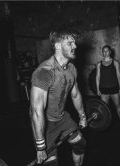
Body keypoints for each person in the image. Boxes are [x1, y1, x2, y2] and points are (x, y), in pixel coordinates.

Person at [29, 29, 87, 166]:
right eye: (70, 43)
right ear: (58, 46)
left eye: (74, 43)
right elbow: (36, 112)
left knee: (80, 144)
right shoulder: (44, 72)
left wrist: (82, 116)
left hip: (62, 117)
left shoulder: (71, 68)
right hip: (45, 125)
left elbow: (75, 94)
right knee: (51, 163)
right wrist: (41, 146)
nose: (75, 46)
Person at [96, 45, 120, 130]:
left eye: (107, 51)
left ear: (110, 52)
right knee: (104, 108)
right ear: (102, 52)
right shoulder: (99, 64)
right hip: (104, 89)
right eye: (103, 51)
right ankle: (105, 124)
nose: (105, 53)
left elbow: (119, 76)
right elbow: (97, 77)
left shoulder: (115, 62)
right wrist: (98, 89)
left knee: (118, 106)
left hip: (114, 88)